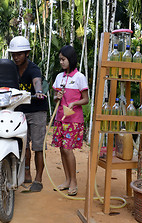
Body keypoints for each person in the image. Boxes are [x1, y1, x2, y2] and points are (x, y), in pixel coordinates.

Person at [8, 36, 48, 192]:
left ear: (27, 53)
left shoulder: (33, 68)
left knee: (37, 146)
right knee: (22, 143)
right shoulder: (11, 69)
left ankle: (38, 178)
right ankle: (26, 173)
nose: (16, 57)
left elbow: (37, 81)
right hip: (20, 110)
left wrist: (38, 91)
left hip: (37, 109)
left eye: (19, 54)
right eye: (14, 54)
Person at [52, 45, 89, 196]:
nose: (61, 62)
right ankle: (67, 180)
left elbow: (86, 99)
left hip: (73, 120)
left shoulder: (79, 77)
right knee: (62, 148)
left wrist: (75, 103)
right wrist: (57, 97)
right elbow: (55, 98)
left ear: (71, 59)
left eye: (63, 59)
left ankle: (74, 181)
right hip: (60, 118)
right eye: (60, 59)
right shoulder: (59, 77)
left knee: (68, 149)